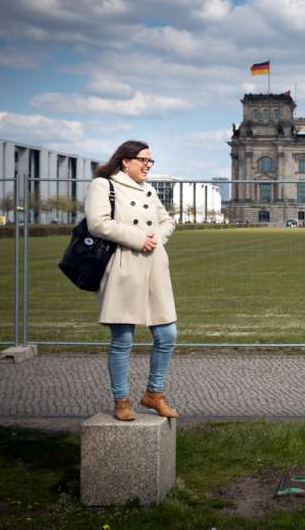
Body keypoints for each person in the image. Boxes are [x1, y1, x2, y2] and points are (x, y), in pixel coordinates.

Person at [86, 140, 179, 421]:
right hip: (123, 266)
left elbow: (168, 221)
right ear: (125, 161)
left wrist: (155, 240)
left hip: (153, 267)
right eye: (144, 160)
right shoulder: (103, 185)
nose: (148, 165)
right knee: (123, 338)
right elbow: (98, 223)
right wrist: (139, 239)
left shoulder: (148, 189)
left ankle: (153, 393)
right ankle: (121, 400)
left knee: (167, 334)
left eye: (151, 161)